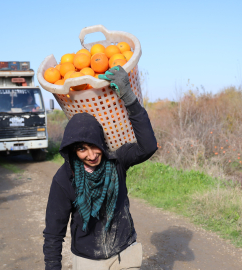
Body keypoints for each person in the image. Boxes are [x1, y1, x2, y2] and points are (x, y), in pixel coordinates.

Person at [43, 66, 157, 270]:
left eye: (94, 145)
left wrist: (128, 97)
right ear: (72, 150)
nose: (92, 155)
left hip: (125, 254)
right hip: (88, 260)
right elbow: (53, 232)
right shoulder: (64, 178)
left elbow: (148, 146)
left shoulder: (116, 161)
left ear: (102, 142)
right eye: (82, 149)